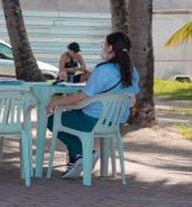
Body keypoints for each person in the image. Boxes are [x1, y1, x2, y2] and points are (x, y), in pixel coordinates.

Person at [46, 31, 140, 179]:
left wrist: (55, 102)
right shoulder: (132, 71)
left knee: (52, 120)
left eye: (105, 44)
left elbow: (81, 97)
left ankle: (84, 153)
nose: (103, 48)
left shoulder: (103, 70)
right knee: (71, 118)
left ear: (110, 48)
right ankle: (76, 159)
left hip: (92, 119)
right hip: (115, 122)